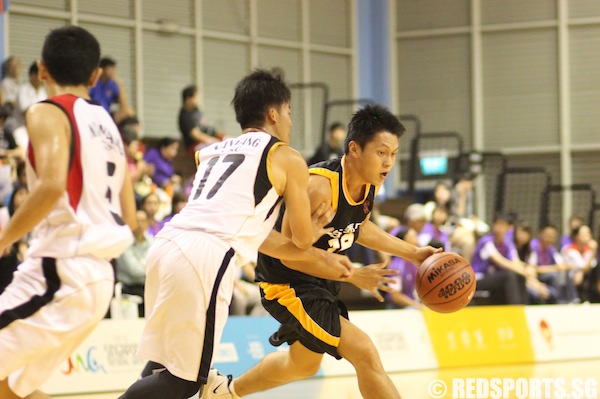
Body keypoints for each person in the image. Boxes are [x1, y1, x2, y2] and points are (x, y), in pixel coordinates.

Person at [118, 69, 354, 399]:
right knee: (185, 381)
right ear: (273, 113)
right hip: (205, 256)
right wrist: (317, 227)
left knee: (164, 364)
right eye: (288, 112)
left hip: (168, 243)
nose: (290, 121)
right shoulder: (286, 156)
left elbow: (262, 235)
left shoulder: (212, 150)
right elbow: (302, 239)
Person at [204, 105, 441, 399]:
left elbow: (359, 227)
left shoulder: (368, 185)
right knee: (364, 351)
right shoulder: (318, 187)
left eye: (393, 154)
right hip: (286, 284)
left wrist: (413, 253)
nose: (389, 162)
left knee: (301, 365)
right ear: (354, 149)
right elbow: (290, 253)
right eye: (381, 153)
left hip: (320, 280)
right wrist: (353, 274)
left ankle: (224, 392)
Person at [0, 25, 136, 399]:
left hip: (60, 270)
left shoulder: (46, 111)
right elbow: (132, 215)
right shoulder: (109, 125)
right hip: (98, 278)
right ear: (95, 76)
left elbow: (51, 186)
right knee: (13, 389)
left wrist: (4, 238)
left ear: (42, 70)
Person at [471, 213, 528, 305]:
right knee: (510, 276)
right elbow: (500, 260)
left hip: (496, 279)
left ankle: (523, 308)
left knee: (520, 276)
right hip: (478, 279)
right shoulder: (486, 241)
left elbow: (516, 262)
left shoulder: (508, 244)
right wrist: (523, 271)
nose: (497, 228)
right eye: (496, 224)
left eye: (502, 225)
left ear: (510, 228)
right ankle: (515, 310)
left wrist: (528, 269)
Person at [117, 209, 154, 317]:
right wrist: (147, 267)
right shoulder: (125, 242)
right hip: (128, 288)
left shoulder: (151, 241)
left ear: (147, 223)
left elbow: (156, 266)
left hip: (147, 287)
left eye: (143, 221)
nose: (140, 224)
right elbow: (134, 270)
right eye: (137, 221)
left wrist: (143, 265)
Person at [178, 84, 226, 154]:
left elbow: (204, 127)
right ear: (188, 99)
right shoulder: (185, 115)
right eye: (196, 96)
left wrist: (217, 132)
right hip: (196, 145)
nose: (199, 99)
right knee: (218, 147)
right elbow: (195, 134)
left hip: (208, 139)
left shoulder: (196, 110)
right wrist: (212, 140)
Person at [89, 56, 133, 123]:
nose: (113, 72)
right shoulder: (93, 82)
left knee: (129, 111)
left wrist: (120, 84)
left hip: (107, 114)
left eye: (113, 69)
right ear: (102, 70)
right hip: (92, 113)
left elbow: (123, 103)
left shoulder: (112, 85)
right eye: (110, 69)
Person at [15, 61, 47, 128]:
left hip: (39, 128)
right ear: (33, 75)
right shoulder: (23, 90)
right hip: (22, 129)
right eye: (41, 75)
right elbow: (26, 112)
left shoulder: (43, 92)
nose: (44, 79)